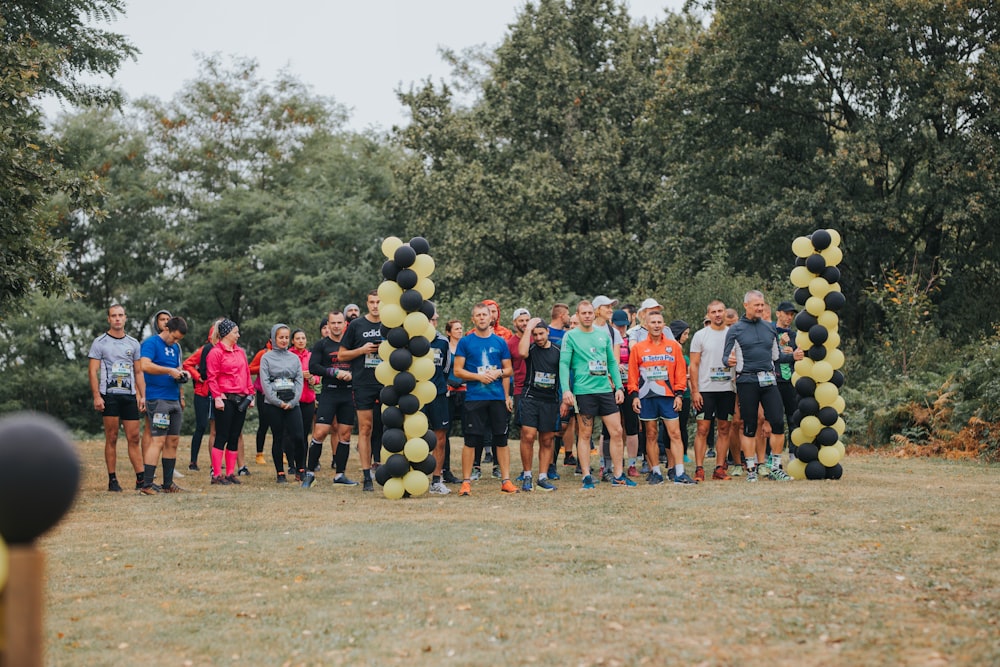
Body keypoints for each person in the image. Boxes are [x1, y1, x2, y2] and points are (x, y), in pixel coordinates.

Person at [722, 290, 803, 482]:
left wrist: (793, 356)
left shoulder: (769, 328)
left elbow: (777, 357)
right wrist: (729, 360)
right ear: (746, 306)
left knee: (777, 422)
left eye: (762, 305)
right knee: (749, 426)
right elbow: (725, 357)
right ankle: (751, 469)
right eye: (756, 305)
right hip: (747, 381)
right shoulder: (736, 329)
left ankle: (775, 467)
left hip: (769, 380)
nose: (760, 308)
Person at [559, 300, 632, 489]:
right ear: (578, 314)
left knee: (616, 431)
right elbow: (564, 364)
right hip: (584, 392)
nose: (587, 316)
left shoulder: (603, 335)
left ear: (594, 313)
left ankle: (618, 474)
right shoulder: (571, 336)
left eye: (590, 313)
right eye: (583, 313)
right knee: (585, 434)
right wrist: (566, 389)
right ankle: (586, 476)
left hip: (605, 390)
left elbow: (612, 362)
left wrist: (618, 387)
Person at [452, 302, 518, 496]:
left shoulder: (500, 342)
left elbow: (509, 370)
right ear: (473, 319)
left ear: (492, 318)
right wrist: (478, 377)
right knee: (471, 440)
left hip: (496, 397)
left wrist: (498, 372)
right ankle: (466, 482)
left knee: (501, 439)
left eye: (485, 315)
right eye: (478, 315)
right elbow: (457, 371)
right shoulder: (466, 342)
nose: (482, 318)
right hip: (474, 397)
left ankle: (506, 480)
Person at [628, 312, 693, 484]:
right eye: (653, 322)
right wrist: (634, 395)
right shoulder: (638, 348)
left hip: (668, 397)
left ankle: (679, 472)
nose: (656, 325)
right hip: (646, 397)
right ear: (646, 325)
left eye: (659, 322)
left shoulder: (673, 346)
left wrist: (679, 394)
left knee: (675, 433)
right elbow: (632, 375)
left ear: (664, 325)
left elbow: (680, 373)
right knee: (651, 434)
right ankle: (655, 472)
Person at [88, 304, 145, 492]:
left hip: (128, 396)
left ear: (126, 318)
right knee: (112, 437)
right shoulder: (100, 342)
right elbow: (92, 371)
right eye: (114, 316)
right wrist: (97, 396)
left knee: (134, 437)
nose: (117, 319)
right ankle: (112, 480)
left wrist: (142, 395)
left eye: (120, 315)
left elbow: (138, 371)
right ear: (109, 319)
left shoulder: (133, 343)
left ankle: (141, 479)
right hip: (109, 395)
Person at [338, 291, 385, 492]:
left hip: (388, 383)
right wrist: (362, 350)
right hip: (364, 383)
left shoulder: (392, 324)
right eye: (372, 302)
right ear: (367, 304)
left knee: (392, 428)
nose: (375, 306)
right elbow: (341, 355)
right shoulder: (357, 325)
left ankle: (390, 469)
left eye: (379, 302)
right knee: (366, 428)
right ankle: (367, 475)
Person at [304, 310, 357, 488]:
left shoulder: (352, 344)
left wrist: (352, 375)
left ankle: (340, 475)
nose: (336, 326)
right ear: (327, 324)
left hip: (348, 394)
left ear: (344, 324)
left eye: (339, 323)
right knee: (320, 432)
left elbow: (361, 365)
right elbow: (313, 367)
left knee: (345, 434)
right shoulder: (322, 345)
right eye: (332, 323)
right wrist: (334, 372)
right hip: (329, 393)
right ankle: (309, 473)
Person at [138, 315, 189, 494]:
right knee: (158, 440)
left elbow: (175, 368)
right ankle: (147, 484)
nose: (175, 341)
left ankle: (168, 484)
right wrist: (169, 370)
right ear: (166, 329)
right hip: (157, 399)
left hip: (173, 398)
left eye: (178, 339)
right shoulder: (151, 343)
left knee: (173, 441)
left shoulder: (175, 347)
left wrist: (182, 375)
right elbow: (144, 365)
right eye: (174, 337)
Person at [689, 300, 737, 481]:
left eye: (720, 311)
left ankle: (719, 468)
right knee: (703, 428)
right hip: (706, 389)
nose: (717, 314)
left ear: (725, 313)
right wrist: (695, 391)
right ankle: (699, 468)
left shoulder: (733, 334)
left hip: (727, 389)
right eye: (714, 312)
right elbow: (693, 365)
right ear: (708, 315)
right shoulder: (700, 335)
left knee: (725, 428)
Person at [516, 318, 564, 491]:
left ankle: (542, 477)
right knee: (528, 436)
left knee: (547, 439)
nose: (538, 337)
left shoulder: (558, 350)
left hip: (550, 400)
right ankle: (527, 475)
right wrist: (528, 328)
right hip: (530, 397)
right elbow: (521, 354)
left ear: (548, 332)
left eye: (541, 333)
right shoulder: (530, 349)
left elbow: (565, 372)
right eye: (534, 334)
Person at [206, 319, 255, 486]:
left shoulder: (240, 352)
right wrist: (217, 396)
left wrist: (251, 393)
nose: (238, 335)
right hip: (225, 398)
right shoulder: (216, 352)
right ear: (226, 333)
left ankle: (230, 473)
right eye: (235, 332)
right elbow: (211, 377)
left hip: (241, 398)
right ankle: (217, 474)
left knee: (235, 436)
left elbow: (246, 373)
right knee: (222, 435)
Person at [259, 324, 305, 483]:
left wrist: (293, 402)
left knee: (299, 436)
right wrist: (278, 402)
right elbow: (265, 383)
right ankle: (280, 472)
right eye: (281, 337)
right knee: (278, 437)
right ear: (273, 338)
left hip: (293, 403)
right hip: (273, 404)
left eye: (286, 337)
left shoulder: (294, 358)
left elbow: (299, 380)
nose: (284, 340)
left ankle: (300, 469)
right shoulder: (266, 358)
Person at [182, 319, 222, 472]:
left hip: (216, 392)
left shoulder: (223, 351)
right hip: (202, 392)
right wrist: (198, 377)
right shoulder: (203, 350)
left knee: (216, 428)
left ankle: (215, 462)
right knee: (201, 426)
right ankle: (193, 461)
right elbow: (187, 364)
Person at [139, 309, 173, 459]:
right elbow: (140, 369)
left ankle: (165, 462)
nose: (165, 322)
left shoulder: (174, 345)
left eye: (168, 319)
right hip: (152, 392)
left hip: (170, 394)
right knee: (150, 428)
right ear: (156, 323)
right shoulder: (150, 343)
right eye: (162, 319)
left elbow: (178, 369)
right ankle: (147, 463)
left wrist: (182, 396)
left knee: (168, 430)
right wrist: (141, 394)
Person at [425, 311, 453, 495]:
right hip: (415, 396)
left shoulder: (443, 342)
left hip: (438, 394)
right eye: (428, 319)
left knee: (439, 438)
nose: (431, 322)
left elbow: (446, 369)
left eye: (434, 319)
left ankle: (436, 480)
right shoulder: (411, 340)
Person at [290, 328, 319, 479]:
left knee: (304, 435)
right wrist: (300, 374)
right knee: (293, 435)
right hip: (293, 401)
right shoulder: (289, 356)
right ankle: (292, 464)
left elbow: (317, 376)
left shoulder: (311, 356)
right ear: (293, 341)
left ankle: (302, 465)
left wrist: (313, 379)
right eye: (298, 338)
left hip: (308, 399)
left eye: (303, 338)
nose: (301, 340)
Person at [774, 301, 800, 459]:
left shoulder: (796, 336)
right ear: (778, 313)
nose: (789, 317)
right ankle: (769, 456)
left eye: (792, 314)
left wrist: (795, 354)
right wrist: (780, 346)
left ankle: (793, 454)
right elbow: (765, 354)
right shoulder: (769, 331)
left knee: (793, 418)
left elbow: (801, 357)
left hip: (791, 381)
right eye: (786, 313)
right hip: (773, 381)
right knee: (774, 420)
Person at [443, 319, 466, 484]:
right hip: (449, 394)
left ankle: (473, 469)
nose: (459, 331)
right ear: (448, 332)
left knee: (471, 432)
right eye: (456, 329)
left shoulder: (466, 347)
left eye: (461, 328)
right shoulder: (445, 349)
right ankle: (445, 470)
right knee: (445, 432)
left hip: (465, 393)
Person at [249, 337, 273, 467]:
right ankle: (259, 454)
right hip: (262, 392)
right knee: (264, 424)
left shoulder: (285, 353)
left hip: (280, 391)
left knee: (282, 425)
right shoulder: (262, 353)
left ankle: (283, 453)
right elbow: (250, 368)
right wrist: (263, 366)